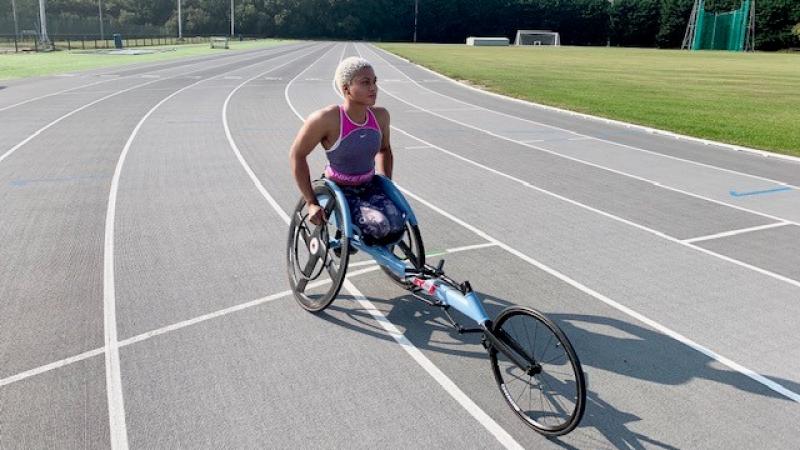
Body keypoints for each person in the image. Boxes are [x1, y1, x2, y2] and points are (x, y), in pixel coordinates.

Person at [289, 56, 405, 246]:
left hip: (369, 186)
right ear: (346, 89)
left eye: (375, 81)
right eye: (365, 82)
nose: (373, 88)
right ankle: (348, 238)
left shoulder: (381, 116)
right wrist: (311, 202)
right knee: (380, 227)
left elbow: (384, 150)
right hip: (340, 191)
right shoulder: (326, 119)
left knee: (399, 222)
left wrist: (386, 185)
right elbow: (297, 155)